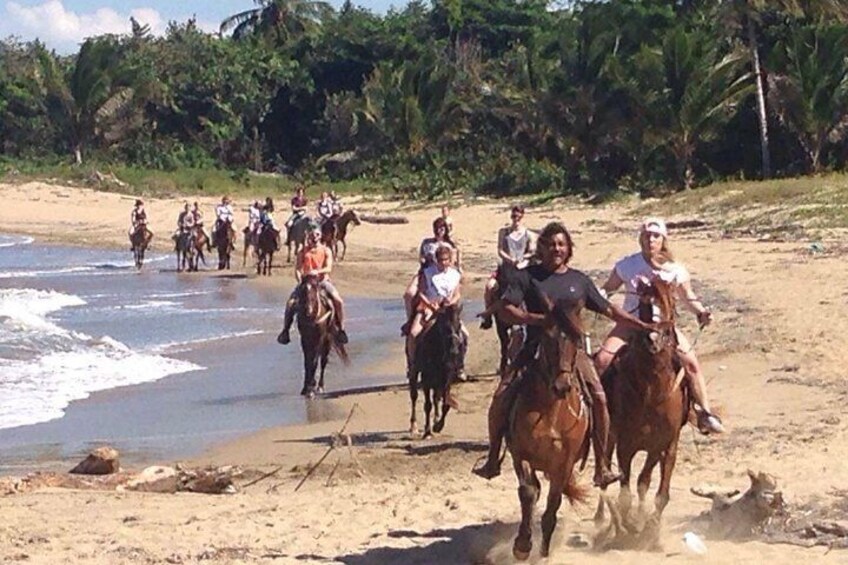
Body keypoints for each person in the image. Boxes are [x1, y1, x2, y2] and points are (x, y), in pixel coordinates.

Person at [472, 221, 653, 487]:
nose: (556, 249)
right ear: (542, 248)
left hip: (572, 351)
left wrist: (640, 324)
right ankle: (492, 457)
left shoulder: (579, 280)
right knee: (502, 395)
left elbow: (609, 310)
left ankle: (602, 465)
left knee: (600, 399)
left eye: (561, 244)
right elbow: (507, 309)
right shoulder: (528, 277)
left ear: (568, 249)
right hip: (535, 347)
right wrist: (538, 320)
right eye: (551, 244)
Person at [594, 217, 724, 435]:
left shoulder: (675, 270)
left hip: (664, 327)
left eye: (655, 236)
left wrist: (700, 312)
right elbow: (609, 288)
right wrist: (596, 297)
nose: (650, 240)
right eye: (646, 235)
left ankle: (704, 413)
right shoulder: (627, 265)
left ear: (663, 239)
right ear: (640, 238)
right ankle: (594, 409)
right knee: (602, 359)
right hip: (631, 323)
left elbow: (687, 297)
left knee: (691, 364)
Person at [405, 245, 465, 405]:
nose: (443, 263)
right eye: (441, 260)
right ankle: (412, 364)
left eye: (446, 260)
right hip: (430, 308)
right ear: (436, 260)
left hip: (448, 309)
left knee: (463, 335)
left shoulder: (455, 274)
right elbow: (422, 292)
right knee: (413, 333)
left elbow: (457, 293)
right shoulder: (428, 273)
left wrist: (449, 303)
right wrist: (432, 306)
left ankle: (458, 365)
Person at [277, 224, 349, 345]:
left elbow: (328, 268)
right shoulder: (302, 251)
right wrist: (300, 280)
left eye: (317, 235)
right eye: (312, 235)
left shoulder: (326, 250)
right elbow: (298, 269)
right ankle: (285, 331)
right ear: (308, 235)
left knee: (338, 300)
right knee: (290, 303)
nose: (314, 237)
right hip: (306, 282)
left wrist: (317, 271)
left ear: (320, 236)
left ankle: (341, 329)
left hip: (322, 281)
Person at [401, 217, 460, 336]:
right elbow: (421, 257)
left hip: (444, 273)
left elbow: (453, 262)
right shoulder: (427, 242)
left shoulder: (449, 245)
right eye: (437, 229)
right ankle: (410, 320)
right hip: (426, 272)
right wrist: (425, 261)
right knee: (409, 294)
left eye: (442, 229)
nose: (439, 231)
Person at [480, 204, 536, 330]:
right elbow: (500, 250)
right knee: (490, 287)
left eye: (517, 215)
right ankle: (487, 316)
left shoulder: (529, 234)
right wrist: (510, 260)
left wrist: (522, 258)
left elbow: (532, 251)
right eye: (513, 215)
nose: (515, 218)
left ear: (522, 216)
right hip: (506, 268)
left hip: (522, 268)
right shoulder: (504, 232)